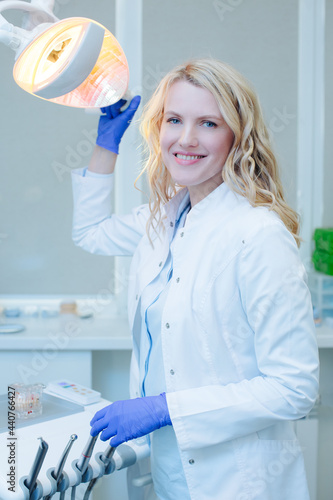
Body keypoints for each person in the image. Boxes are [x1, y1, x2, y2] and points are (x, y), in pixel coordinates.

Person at [71, 58, 319, 500]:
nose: (185, 139)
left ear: (237, 137)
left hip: (239, 481)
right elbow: (89, 233)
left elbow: (294, 389)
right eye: (174, 120)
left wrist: (165, 408)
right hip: (168, 470)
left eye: (208, 123)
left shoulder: (258, 235)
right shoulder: (164, 217)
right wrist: (106, 145)